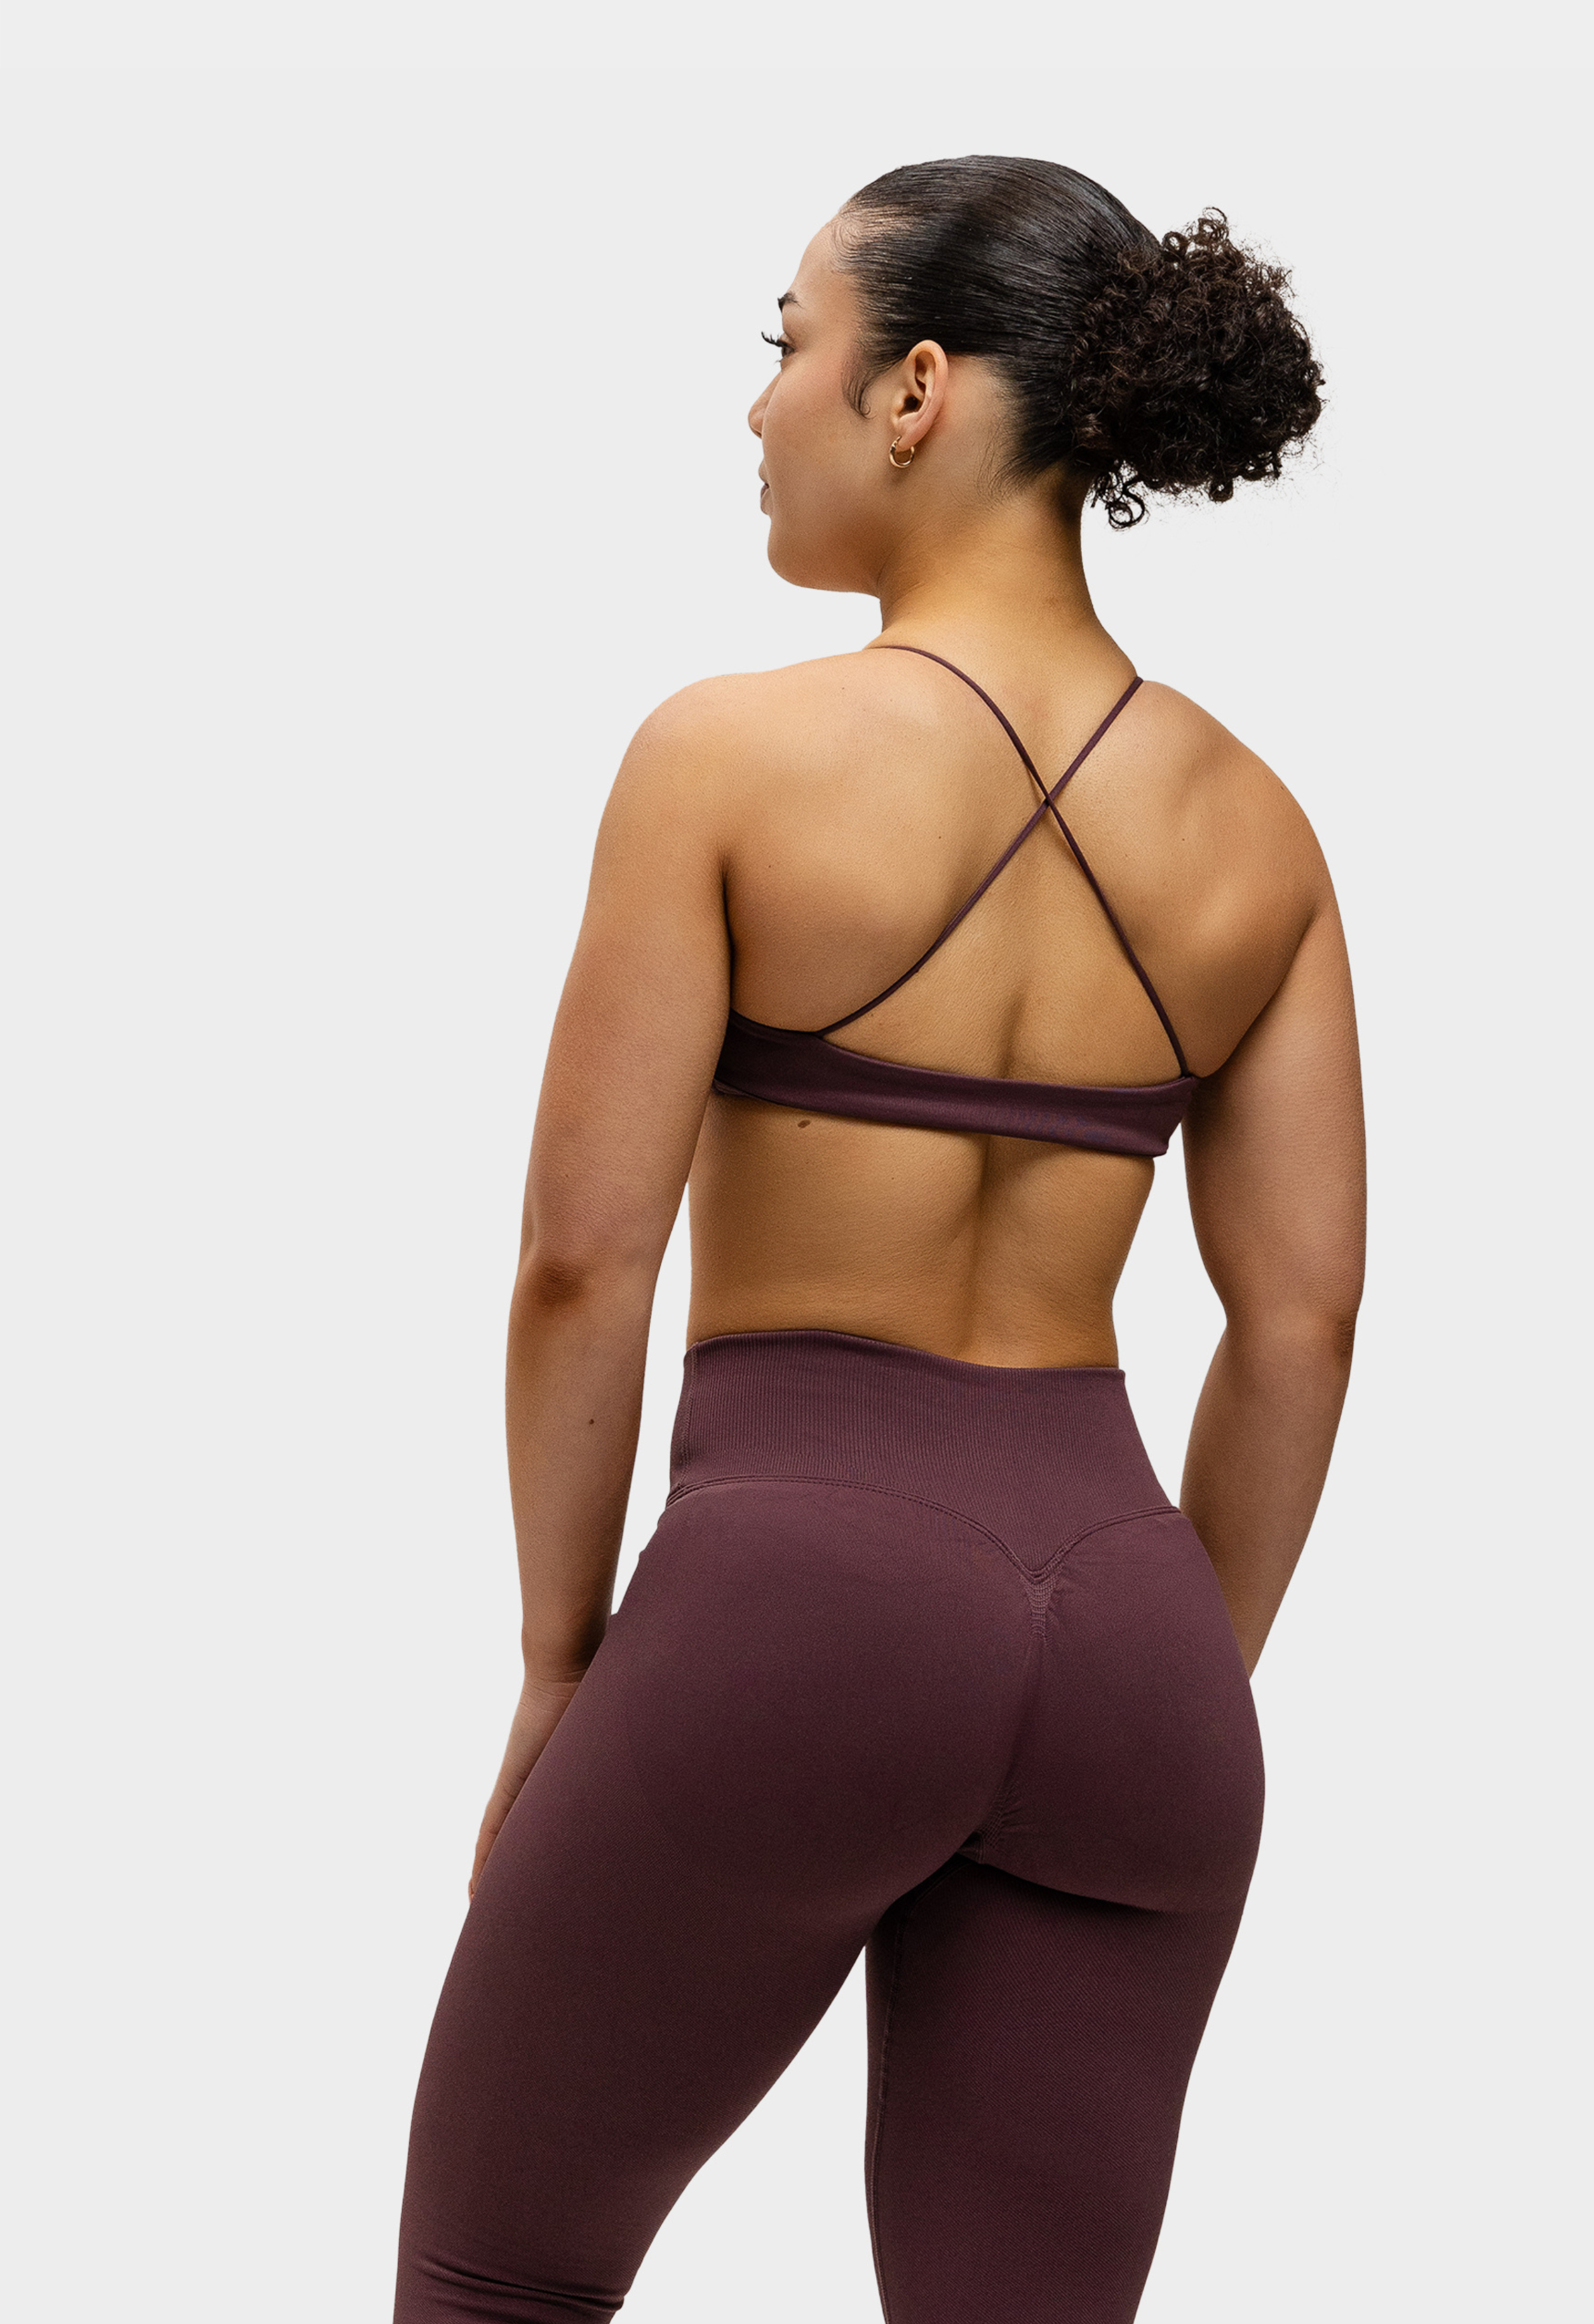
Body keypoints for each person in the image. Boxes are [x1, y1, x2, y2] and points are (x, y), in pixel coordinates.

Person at [394, 154, 1365, 2324]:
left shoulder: (728, 761)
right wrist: (1154, 1678)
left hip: (794, 1597)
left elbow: (583, 1263)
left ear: (916, 388)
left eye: (789, 346)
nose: (763, 404)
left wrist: (560, 1669)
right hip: (1137, 1635)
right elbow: (1301, 1320)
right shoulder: (1260, 829)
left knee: (498, 2277)